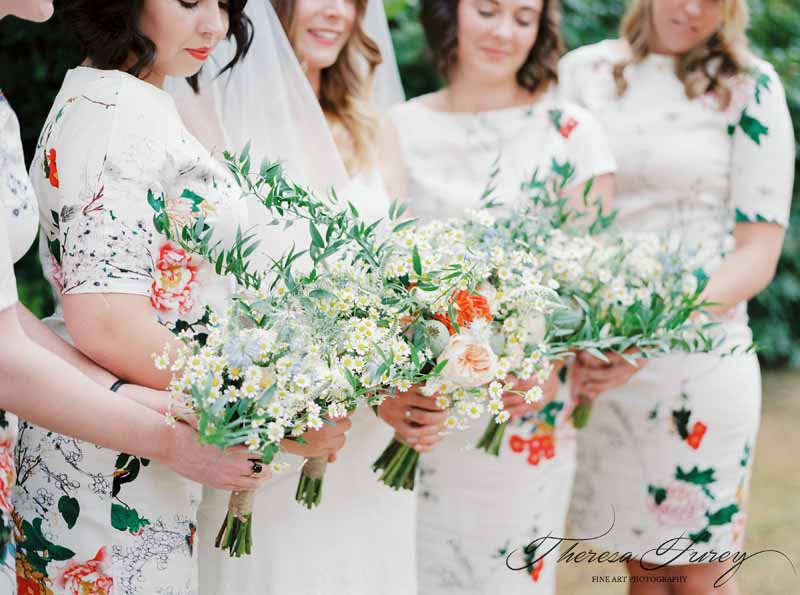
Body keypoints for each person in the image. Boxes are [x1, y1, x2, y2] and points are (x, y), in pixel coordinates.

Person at [11, 1, 348, 593]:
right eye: (189, 1)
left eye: (224, 4)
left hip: (150, 436)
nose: (215, 26)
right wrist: (282, 406)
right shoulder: (116, 111)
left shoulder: (136, 101)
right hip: (108, 456)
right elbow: (108, 324)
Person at [175, 1, 431, 592]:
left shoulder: (373, 124)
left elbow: (407, 275)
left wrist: (413, 376)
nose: (336, 13)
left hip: (364, 438)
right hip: (272, 428)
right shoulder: (211, 120)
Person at [380, 0, 616, 592]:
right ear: (450, 15)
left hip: (522, 411)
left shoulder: (572, 134)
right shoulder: (396, 129)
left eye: (523, 17)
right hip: (417, 410)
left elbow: (591, 280)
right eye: (487, 10)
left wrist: (545, 361)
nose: (503, 32)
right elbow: (375, 271)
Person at [559, 1, 794, 593]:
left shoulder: (750, 87)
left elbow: (757, 254)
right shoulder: (583, 72)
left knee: (701, 571)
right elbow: (565, 217)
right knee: (642, 568)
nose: (691, 9)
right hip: (606, 360)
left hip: (700, 358)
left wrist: (653, 333)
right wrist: (592, 333)